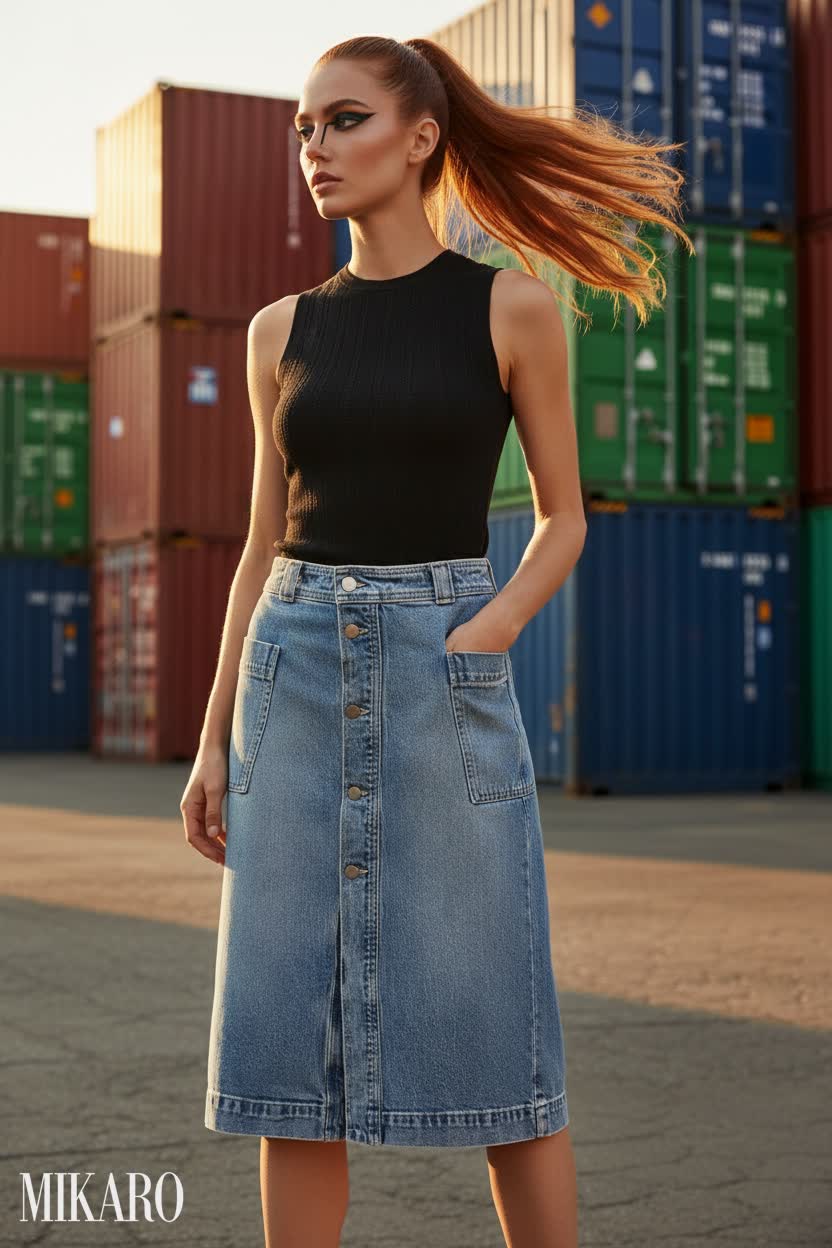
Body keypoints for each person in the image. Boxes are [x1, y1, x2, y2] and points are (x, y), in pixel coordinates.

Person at [179, 33, 690, 1248]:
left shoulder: (510, 307)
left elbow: (564, 519)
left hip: (440, 672)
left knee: (493, 1016)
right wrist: (211, 747)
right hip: (291, 679)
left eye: (342, 121)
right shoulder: (276, 331)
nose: (314, 147)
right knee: (287, 1052)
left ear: (419, 139)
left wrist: (487, 632)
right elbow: (260, 547)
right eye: (303, 128)